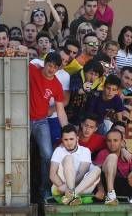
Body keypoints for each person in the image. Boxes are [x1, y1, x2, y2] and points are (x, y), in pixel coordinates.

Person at [29, 54, 68, 200]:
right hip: (23, 120)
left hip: (41, 121)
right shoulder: (32, 70)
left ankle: (44, 189)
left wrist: (66, 131)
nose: (51, 69)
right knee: (20, 155)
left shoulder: (57, 85)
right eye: (50, 65)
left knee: (47, 155)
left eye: (55, 67)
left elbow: (60, 110)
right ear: (44, 64)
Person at [49, 125, 101, 206]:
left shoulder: (85, 151)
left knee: (97, 169)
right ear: (62, 140)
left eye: (71, 139)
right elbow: (52, 175)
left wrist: (70, 191)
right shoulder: (58, 150)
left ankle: (72, 195)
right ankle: (73, 194)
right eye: (66, 140)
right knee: (68, 158)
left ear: (77, 138)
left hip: (81, 187)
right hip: (62, 187)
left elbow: (82, 173)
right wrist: (64, 187)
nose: (69, 142)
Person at [94, 129, 132, 205]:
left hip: (124, 190)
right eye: (109, 141)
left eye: (115, 140)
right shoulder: (102, 153)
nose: (112, 143)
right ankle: (111, 194)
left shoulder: (129, 156)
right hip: (106, 189)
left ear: (122, 142)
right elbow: (96, 173)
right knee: (112, 157)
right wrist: (100, 189)